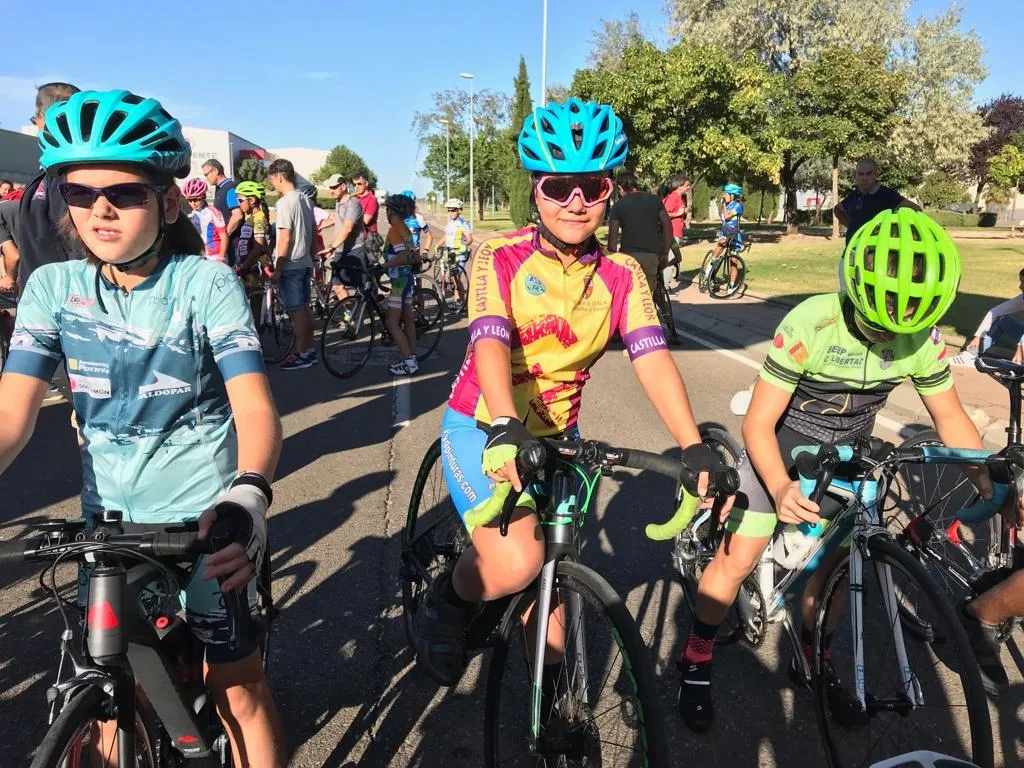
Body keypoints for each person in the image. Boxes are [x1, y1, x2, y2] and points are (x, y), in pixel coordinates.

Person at [0, 89, 285, 767]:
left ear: (169, 202)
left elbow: (254, 406)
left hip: (209, 523)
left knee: (236, 691)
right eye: (79, 192)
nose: (99, 209)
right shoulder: (52, 288)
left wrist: (249, 495)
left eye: (124, 193)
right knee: (113, 694)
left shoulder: (205, 283)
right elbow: (12, 411)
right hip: (109, 528)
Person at [414, 97, 730, 687]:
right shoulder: (498, 256)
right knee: (517, 562)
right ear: (536, 191)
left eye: (593, 186)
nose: (576, 201)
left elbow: (652, 358)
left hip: (560, 432)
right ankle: (447, 602)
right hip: (484, 423)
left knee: (552, 597)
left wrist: (692, 445)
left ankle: (556, 712)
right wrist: (505, 425)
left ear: (610, 192)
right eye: (559, 187)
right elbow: (488, 341)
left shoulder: (622, 275)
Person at [675, 208, 1015, 734]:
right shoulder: (812, 321)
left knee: (834, 568)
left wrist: (986, 478)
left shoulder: (922, 338)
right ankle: (696, 657)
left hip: (852, 449)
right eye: (880, 321)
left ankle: (815, 656)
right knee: (738, 557)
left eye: (906, 322)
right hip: (784, 441)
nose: (892, 334)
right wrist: (779, 484)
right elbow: (759, 423)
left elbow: (950, 418)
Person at [15, 82, 82, 291]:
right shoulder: (48, 171)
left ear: (43, 117)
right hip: (39, 292)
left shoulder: (70, 173)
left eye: (35, 119)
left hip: (61, 296)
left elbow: (78, 245)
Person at [834, 158, 921, 288]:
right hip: (850, 254)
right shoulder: (854, 195)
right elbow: (838, 209)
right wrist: (851, 225)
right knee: (845, 295)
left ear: (875, 175)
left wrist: (893, 230)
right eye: (861, 174)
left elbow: (915, 208)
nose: (864, 178)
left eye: (869, 174)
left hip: (875, 258)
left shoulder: (886, 194)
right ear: (856, 177)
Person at [268, 158, 317, 370]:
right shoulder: (305, 199)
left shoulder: (285, 202)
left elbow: (284, 238)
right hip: (305, 262)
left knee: (296, 313)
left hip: (291, 264)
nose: (272, 184)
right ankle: (309, 350)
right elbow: (313, 230)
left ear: (279, 177)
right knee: (305, 309)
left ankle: (300, 354)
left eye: (272, 179)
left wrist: (278, 268)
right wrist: (313, 256)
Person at [606, 170, 673, 294]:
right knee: (648, 294)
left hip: (628, 256)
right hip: (651, 255)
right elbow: (668, 226)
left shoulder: (618, 206)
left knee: (630, 294)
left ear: (620, 187)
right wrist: (665, 252)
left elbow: (612, 238)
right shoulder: (655, 200)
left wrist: (613, 258)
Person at [950, 267, 1024, 365]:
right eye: (1020, 281)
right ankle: (972, 355)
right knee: (1002, 319)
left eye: (1023, 282)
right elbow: (994, 312)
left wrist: (1020, 349)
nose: (1020, 286)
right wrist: (978, 337)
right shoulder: (1022, 299)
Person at [381, 194, 420, 376]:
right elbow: (413, 255)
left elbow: (403, 256)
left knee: (391, 322)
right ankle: (412, 355)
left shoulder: (395, 229)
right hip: (407, 277)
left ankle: (409, 363)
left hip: (399, 280)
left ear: (390, 211)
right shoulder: (404, 227)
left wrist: (384, 266)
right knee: (408, 319)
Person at [320, 173, 366, 303]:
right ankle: (350, 314)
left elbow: (347, 228)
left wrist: (332, 248)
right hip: (340, 250)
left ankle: (368, 311)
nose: (331, 191)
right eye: (330, 188)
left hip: (354, 250)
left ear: (344, 186)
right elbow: (339, 220)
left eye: (334, 187)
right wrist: (320, 226)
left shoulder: (353, 203)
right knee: (338, 286)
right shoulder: (338, 202)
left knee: (361, 289)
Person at [234, 180, 271, 319]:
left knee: (254, 309)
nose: (239, 204)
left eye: (240, 200)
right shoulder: (252, 217)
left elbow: (259, 246)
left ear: (252, 200)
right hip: (248, 265)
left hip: (253, 267)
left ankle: (258, 330)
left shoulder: (259, 217)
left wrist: (245, 265)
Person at [201, 159, 243, 265]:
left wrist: (223, 237)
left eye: (206, 174)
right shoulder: (220, 188)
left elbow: (237, 216)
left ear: (215, 171)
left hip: (233, 245)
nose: (206, 178)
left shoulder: (230, 188)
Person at [183, 177, 228, 262]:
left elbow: (224, 236)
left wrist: (221, 257)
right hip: (200, 256)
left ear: (204, 196)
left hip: (215, 256)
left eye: (196, 199)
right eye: (189, 200)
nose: (193, 203)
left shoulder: (213, 212)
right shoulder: (191, 214)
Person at [661, 173, 690, 293]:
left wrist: (683, 212)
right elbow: (664, 213)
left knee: (672, 258)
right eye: (686, 185)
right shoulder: (674, 197)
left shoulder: (677, 197)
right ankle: (665, 287)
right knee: (671, 258)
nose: (688, 188)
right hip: (672, 233)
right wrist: (678, 214)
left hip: (674, 232)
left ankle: (664, 286)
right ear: (679, 185)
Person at [399, 189, 433, 255]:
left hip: (414, 254)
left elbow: (429, 236)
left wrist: (425, 251)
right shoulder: (397, 218)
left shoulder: (419, 218)